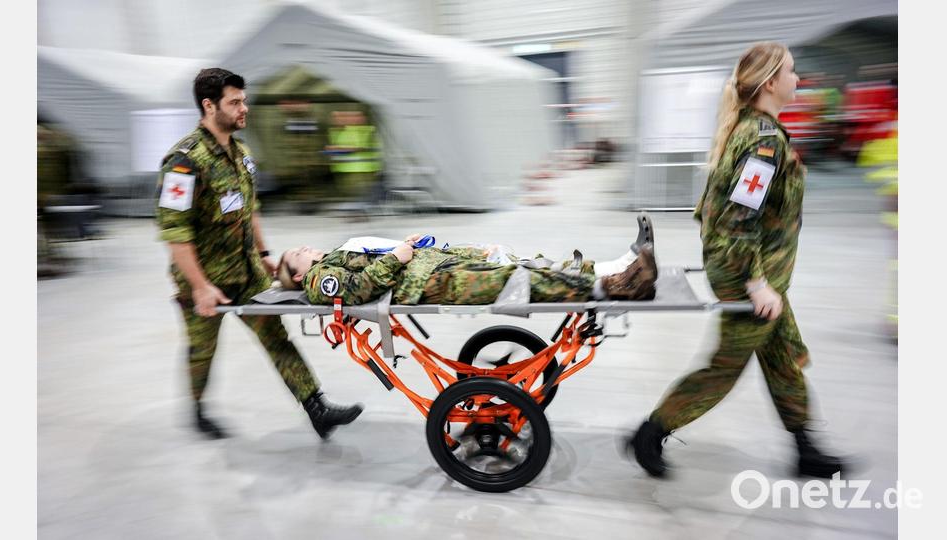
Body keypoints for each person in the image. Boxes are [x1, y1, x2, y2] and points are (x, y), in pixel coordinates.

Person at [627, 43, 848, 479]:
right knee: (726, 366)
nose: (798, 79)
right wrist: (755, 282)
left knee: (782, 356)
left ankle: (806, 448)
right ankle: (651, 432)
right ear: (769, 83)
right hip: (748, 275)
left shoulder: (753, 129)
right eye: (791, 71)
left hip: (759, 275)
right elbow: (736, 219)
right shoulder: (763, 142)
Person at [155, 68, 362, 440]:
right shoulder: (184, 162)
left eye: (243, 100)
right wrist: (200, 286)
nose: (243, 108)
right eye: (234, 102)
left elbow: (251, 208)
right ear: (209, 105)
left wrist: (264, 253)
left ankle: (316, 408)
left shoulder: (242, 153)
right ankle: (198, 410)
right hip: (203, 279)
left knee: (276, 337)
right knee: (203, 349)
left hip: (247, 271)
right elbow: (175, 233)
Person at [274, 222, 658, 306]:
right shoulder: (319, 280)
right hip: (427, 283)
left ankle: (615, 265)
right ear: (297, 273)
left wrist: (401, 248)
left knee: (517, 260)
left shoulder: (338, 254)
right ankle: (613, 286)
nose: (304, 247)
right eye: (297, 253)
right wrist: (395, 257)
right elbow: (359, 291)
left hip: (435, 264)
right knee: (516, 279)